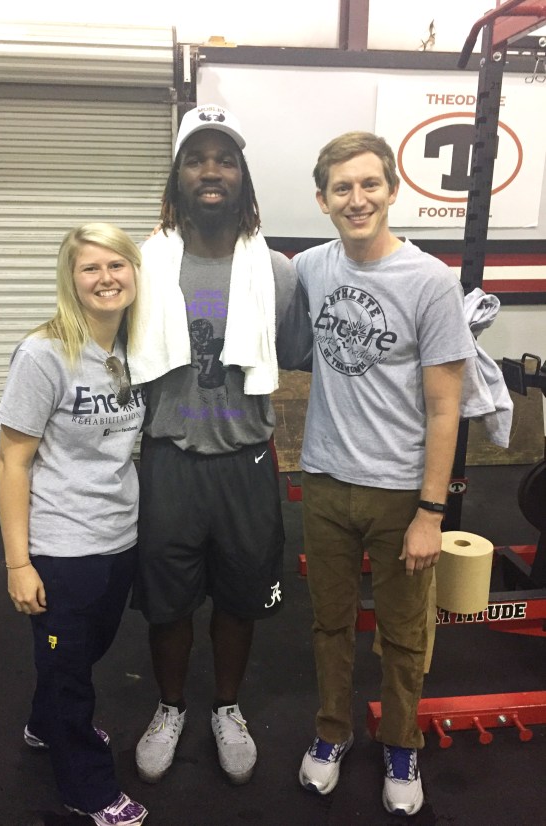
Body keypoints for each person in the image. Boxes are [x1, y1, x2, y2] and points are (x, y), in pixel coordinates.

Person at [285, 132, 476, 816]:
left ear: (393, 190)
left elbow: (446, 405)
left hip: (403, 494)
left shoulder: (429, 281)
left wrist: (432, 511)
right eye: (342, 188)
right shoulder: (309, 268)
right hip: (327, 482)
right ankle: (332, 732)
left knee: (404, 632)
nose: (357, 199)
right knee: (330, 624)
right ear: (322, 200)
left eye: (370, 185)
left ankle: (402, 744)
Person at [126, 103, 298, 786]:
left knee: (239, 598)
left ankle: (226, 708)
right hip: (168, 458)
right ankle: (170, 708)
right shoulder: (143, 265)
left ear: (243, 177)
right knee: (166, 603)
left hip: (246, 461)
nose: (211, 170)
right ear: (177, 175)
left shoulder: (277, 272)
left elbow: (296, 355)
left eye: (225, 159)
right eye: (197, 158)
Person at [0, 223, 148, 826]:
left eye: (117, 265)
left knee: (83, 653)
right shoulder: (43, 353)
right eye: (91, 268)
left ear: (134, 272)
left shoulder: (138, 348)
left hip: (120, 533)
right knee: (69, 673)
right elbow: (13, 461)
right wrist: (17, 562)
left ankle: (43, 724)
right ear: (71, 279)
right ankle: (88, 789)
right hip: (61, 544)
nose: (106, 278)